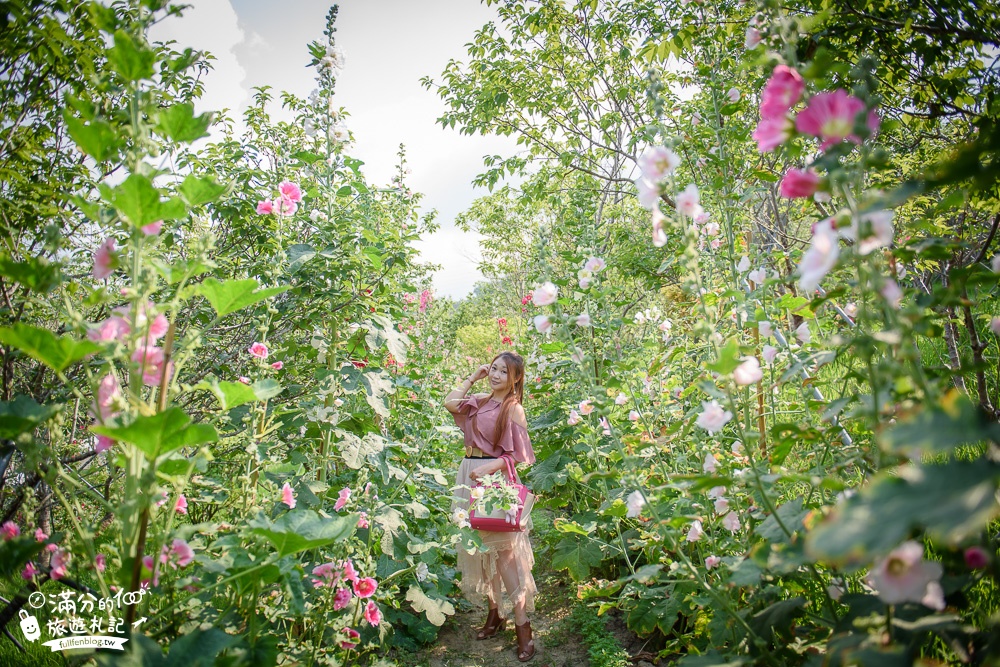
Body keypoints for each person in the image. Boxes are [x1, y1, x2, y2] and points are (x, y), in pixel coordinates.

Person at [443, 351, 537, 662]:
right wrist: (473, 377)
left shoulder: (514, 409)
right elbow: (450, 403)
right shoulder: (481, 399)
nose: (496, 375)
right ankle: (494, 613)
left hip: (493, 481)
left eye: (503, 372)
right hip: (468, 474)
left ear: (515, 379)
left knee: (505, 555)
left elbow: (520, 456)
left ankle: (523, 626)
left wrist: (489, 468)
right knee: (481, 553)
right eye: (493, 369)